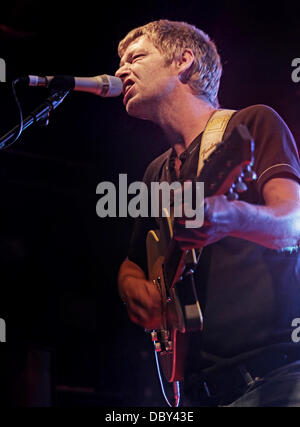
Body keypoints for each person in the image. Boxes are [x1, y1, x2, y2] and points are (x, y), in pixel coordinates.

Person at [115, 19, 300, 407]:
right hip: (198, 393)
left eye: (135, 57)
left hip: (277, 378)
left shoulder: (249, 124)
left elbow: (293, 224)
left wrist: (232, 217)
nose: (119, 71)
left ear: (183, 61)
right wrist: (133, 288)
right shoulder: (155, 173)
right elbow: (133, 265)